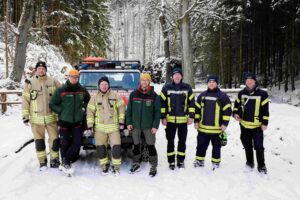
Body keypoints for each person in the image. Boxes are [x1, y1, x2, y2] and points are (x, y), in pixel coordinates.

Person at [22, 61, 61, 171]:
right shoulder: (29, 82)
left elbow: (63, 94)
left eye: (43, 68)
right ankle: (42, 162)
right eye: (39, 68)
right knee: (39, 142)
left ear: (46, 70)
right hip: (36, 120)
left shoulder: (53, 81)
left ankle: (54, 160)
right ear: (36, 70)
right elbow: (25, 100)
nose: (41, 70)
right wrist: (25, 116)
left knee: (54, 141)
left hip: (52, 118)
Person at [49, 69, 90, 175]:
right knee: (64, 143)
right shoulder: (61, 90)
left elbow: (88, 101)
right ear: (68, 77)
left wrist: (83, 108)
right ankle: (65, 162)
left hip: (77, 122)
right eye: (72, 77)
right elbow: (53, 104)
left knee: (77, 143)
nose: (74, 79)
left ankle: (65, 160)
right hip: (64, 121)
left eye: (76, 77)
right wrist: (61, 111)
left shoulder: (82, 90)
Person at [86, 76, 125, 176]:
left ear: (108, 85)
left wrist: (121, 122)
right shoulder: (94, 98)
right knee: (100, 148)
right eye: (102, 84)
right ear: (99, 86)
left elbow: (121, 109)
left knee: (116, 147)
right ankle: (104, 166)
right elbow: (90, 112)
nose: (104, 86)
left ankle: (116, 167)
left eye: (106, 84)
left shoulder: (116, 96)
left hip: (113, 128)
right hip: (100, 129)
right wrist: (90, 125)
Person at [233, 72, 269, 174]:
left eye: (251, 80)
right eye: (247, 80)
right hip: (244, 125)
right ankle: (249, 162)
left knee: (259, 146)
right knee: (247, 145)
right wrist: (235, 114)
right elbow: (236, 106)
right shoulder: (241, 93)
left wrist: (265, 123)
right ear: (245, 82)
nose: (249, 82)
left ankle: (261, 166)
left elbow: (265, 110)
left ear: (255, 81)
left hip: (257, 126)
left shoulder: (263, 94)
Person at [194, 75, 232, 169]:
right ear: (207, 83)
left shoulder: (223, 96)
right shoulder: (202, 96)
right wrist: (196, 121)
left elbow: (227, 111)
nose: (211, 84)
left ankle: (216, 163)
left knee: (216, 148)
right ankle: (199, 161)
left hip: (217, 129)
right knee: (201, 146)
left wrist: (224, 124)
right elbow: (197, 110)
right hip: (202, 128)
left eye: (213, 82)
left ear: (217, 83)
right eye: (209, 82)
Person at [160, 67, 195, 170]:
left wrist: (191, 116)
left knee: (182, 141)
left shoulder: (187, 88)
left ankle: (180, 161)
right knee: (170, 141)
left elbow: (192, 103)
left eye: (179, 74)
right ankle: (171, 161)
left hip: (183, 120)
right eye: (175, 74)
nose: (177, 76)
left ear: (181, 76)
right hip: (170, 120)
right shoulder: (166, 88)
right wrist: (163, 117)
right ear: (172, 77)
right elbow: (162, 104)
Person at [126, 73, 160, 177]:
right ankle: (136, 163)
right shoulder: (133, 94)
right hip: (136, 126)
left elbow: (157, 112)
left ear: (149, 82)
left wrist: (155, 126)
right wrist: (129, 122)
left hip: (148, 126)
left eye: (146, 80)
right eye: (142, 80)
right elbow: (129, 111)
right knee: (136, 145)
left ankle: (153, 165)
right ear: (140, 82)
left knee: (150, 145)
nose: (144, 82)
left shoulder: (154, 96)